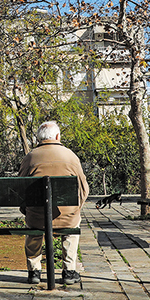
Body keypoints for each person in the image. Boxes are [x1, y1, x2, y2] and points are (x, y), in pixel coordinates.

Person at [18, 120, 89, 285]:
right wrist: (76, 209)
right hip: (67, 216)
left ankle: (34, 271)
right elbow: (84, 190)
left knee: (33, 226)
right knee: (73, 226)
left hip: (37, 217)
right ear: (57, 136)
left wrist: (27, 211)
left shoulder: (30, 158)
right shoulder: (71, 156)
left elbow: (19, 190)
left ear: (39, 138)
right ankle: (69, 270)